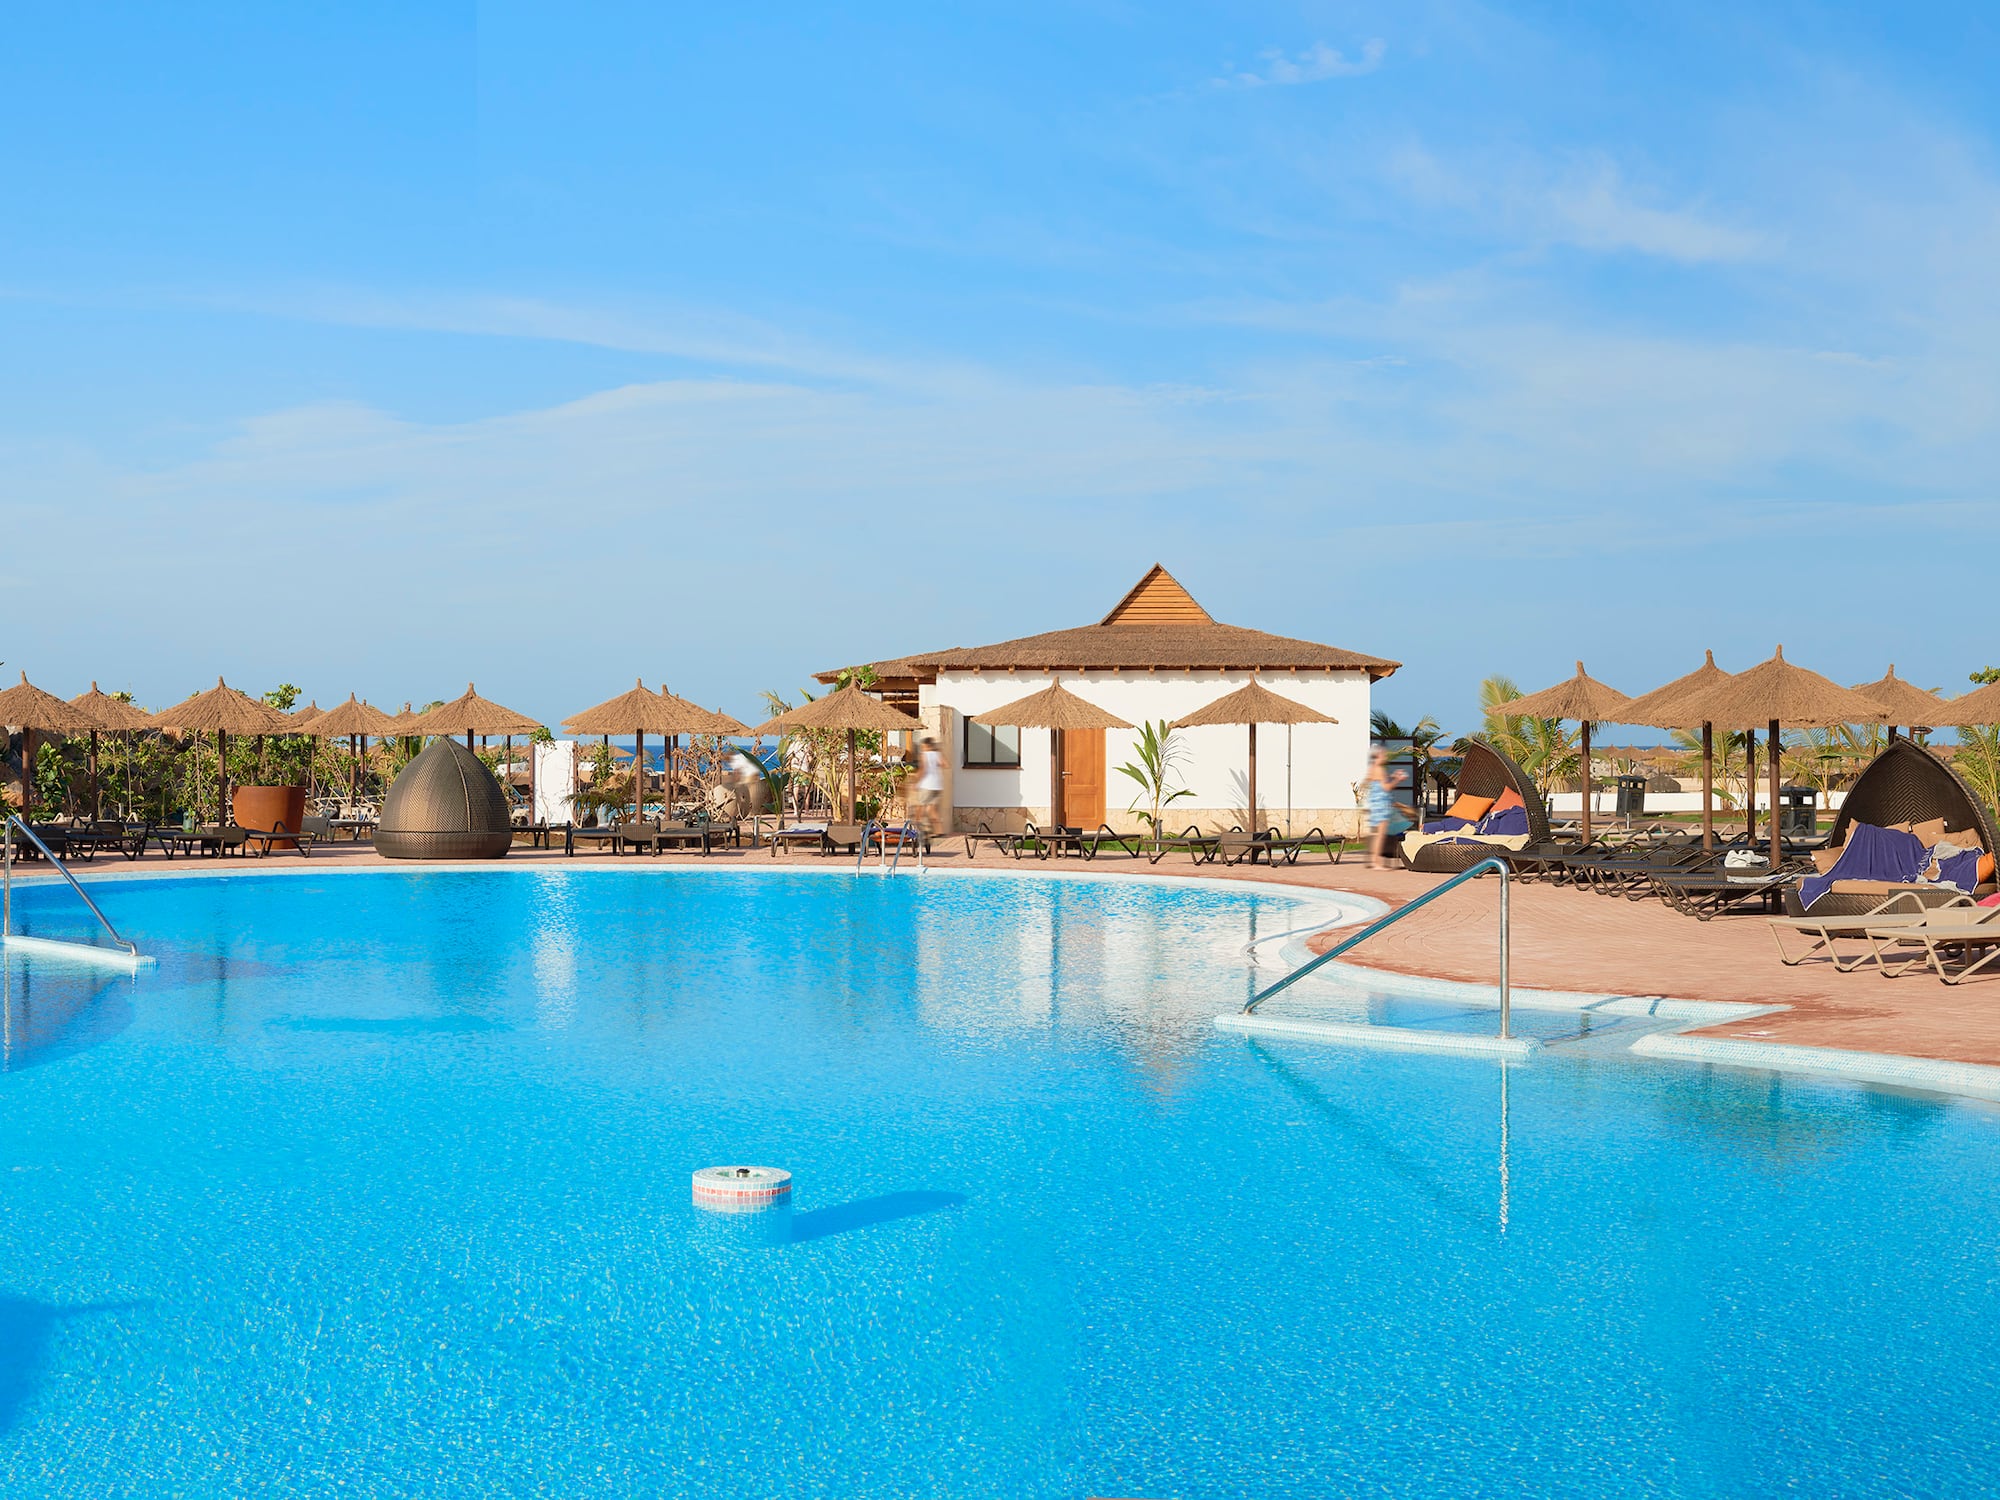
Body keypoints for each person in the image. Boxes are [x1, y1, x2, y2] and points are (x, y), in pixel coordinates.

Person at [1363, 744, 1408, 871]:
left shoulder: (1373, 768)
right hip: (1381, 805)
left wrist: (1393, 776)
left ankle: (1373, 861)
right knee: (1380, 835)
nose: (1385, 756)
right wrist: (1397, 780)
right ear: (1378, 755)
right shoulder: (1379, 769)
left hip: (1375, 804)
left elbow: (1379, 784)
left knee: (1377, 834)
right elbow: (1386, 787)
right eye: (1383, 754)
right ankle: (1377, 863)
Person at [912, 735, 946, 834]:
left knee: (920, 806)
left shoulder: (924, 755)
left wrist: (916, 782)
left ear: (926, 746)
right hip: (938, 785)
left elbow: (923, 769)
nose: (922, 748)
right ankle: (939, 831)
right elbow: (945, 764)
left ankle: (916, 829)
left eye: (923, 746)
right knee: (932, 809)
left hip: (927, 785)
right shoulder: (938, 754)